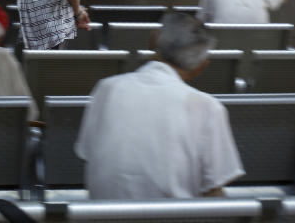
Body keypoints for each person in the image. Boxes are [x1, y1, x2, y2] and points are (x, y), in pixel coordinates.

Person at [74, 12, 244, 199]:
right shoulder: (208, 107)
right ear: (201, 67)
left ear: (152, 41)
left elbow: (87, 153)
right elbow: (214, 188)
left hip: (98, 215)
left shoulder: (106, 88)